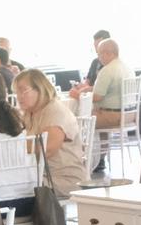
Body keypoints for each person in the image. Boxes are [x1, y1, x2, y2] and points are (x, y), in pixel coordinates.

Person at [14, 68, 88, 197]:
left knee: (7, 186)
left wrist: (15, 147)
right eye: (16, 92)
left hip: (63, 179)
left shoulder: (55, 112)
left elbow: (45, 150)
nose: (19, 97)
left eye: (23, 91)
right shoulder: (31, 112)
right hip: (40, 175)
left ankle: (13, 217)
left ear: (40, 89)